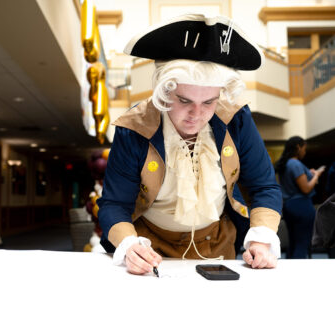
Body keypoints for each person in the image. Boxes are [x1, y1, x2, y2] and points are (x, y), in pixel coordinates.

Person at [97, 14, 282, 275]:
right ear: (164, 91)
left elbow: (263, 186)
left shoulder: (236, 118)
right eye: (184, 101)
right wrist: (129, 245)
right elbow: (115, 204)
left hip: (220, 243)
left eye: (209, 102)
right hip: (150, 247)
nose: (197, 114)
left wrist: (262, 239)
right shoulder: (134, 128)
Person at [275, 136, 325, 259]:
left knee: (293, 242)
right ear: (298, 147)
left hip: (289, 206)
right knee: (302, 244)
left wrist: (310, 173)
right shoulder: (295, 164)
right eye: (304, 148)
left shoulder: (285, 164)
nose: (305, 152)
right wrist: (317, 175)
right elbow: (306, 188)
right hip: (301, 206)